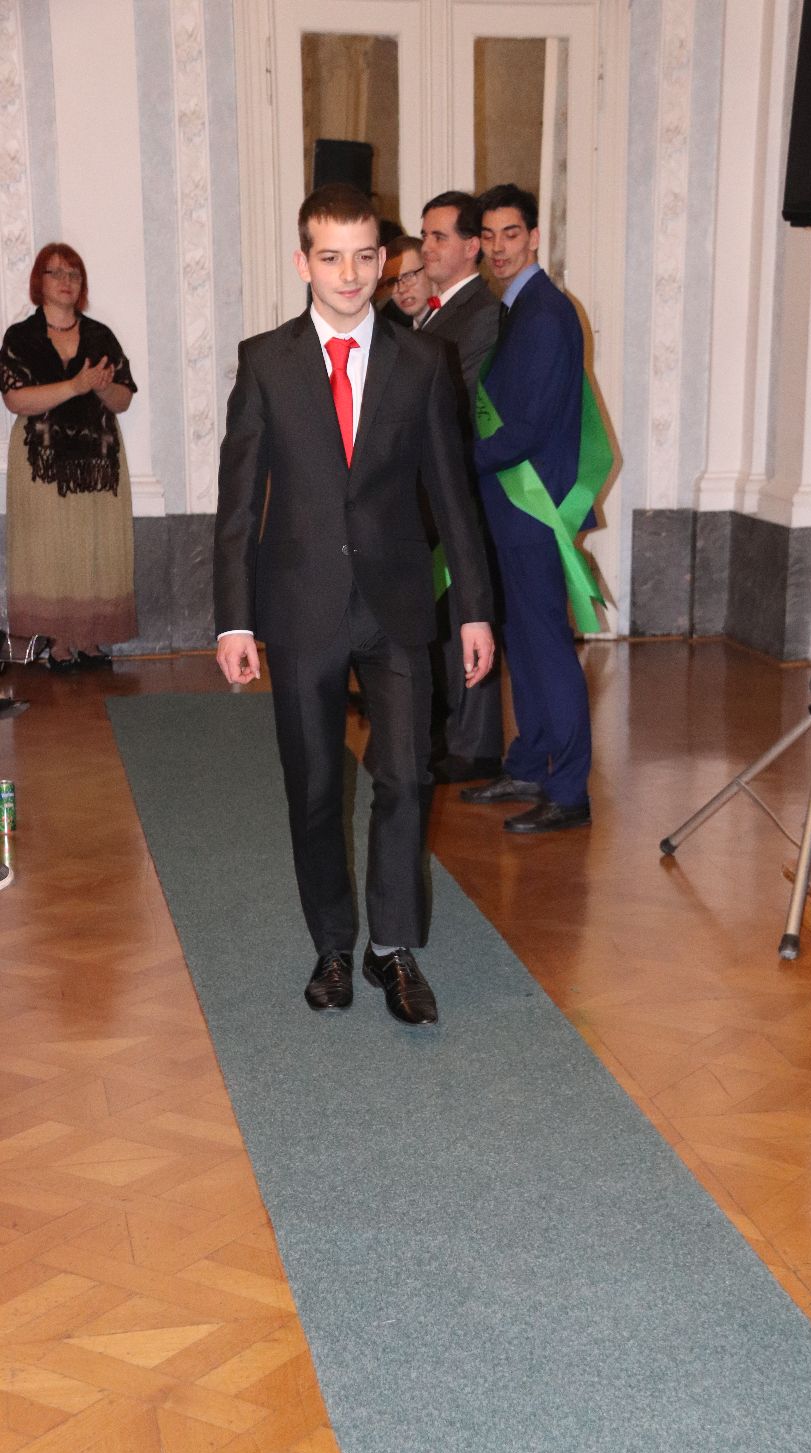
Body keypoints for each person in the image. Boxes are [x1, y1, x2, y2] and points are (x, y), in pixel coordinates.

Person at [214, 182, 495, 1026]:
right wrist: (234, 617)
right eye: (330, 257)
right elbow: (238, 502)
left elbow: (453, 495)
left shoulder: (424, 362)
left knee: (406, 775)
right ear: (303, 262)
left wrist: (474, 607)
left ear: (384, 261)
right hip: (300, 605)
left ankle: (390, 948)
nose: (348, 274)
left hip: (397, 604)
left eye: (364, 257)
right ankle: (333, 943)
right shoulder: (265, 362)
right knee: (313, 786)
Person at [462, 184, 593, 833]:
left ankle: (568, 791)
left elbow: (527, 427)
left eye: (510, 234)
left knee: (546, 646)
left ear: (534, 237)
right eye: (488, 236)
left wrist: (455, 459)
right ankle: (529, 765)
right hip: (512, 505)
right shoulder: (519, 307)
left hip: (532, 506)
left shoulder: (542, 312)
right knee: (524, 641)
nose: (498, 248)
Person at [0, 243, 137, 671]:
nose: (66, 281)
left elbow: (123, 400)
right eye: (56, 272)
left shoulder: (100, 336)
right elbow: (15, 399)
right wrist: (75, 386)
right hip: (40, 462)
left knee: (95, 547)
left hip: (98, 461)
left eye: (74, 274)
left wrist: (101, 386)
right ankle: (59, 643)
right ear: (38, 282)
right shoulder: (21, 337)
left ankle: (89, 640)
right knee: (50, 550)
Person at [418, 191, 504, 783]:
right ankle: (454, 733)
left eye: (439, 237)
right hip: (430, 480)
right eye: (425, 235)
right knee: (445, 617)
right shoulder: (437, 310)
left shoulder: (481, 314)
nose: (426, 247)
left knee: (466, 612)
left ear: (472, 247)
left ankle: (476, 745)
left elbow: (457, 400)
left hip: (459, 482)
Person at [378, 234, 433, 328]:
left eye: (408, 276)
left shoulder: (458, 325)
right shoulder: (402, 335)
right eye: (392, 282)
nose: (401, 289)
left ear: (431, 271)